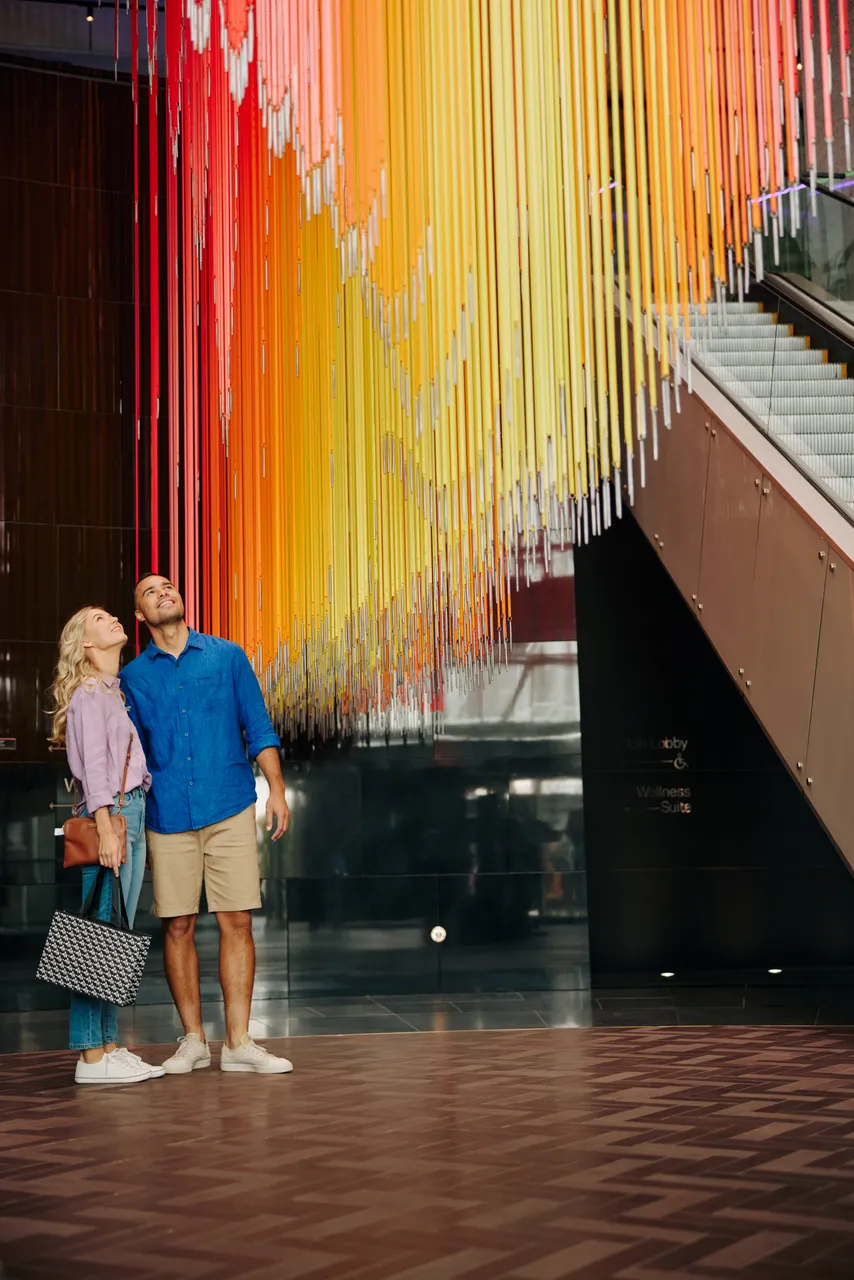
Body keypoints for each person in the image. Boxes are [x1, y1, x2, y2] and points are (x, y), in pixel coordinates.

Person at [121, 574, 293, 1075]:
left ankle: (239, 1042)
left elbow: (257, 725)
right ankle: (193, 1039)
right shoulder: (132, 678)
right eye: (150, 592)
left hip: (230, 803)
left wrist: (276, 790)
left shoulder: (226, 656)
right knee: (177, 924)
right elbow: (129, 752)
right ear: (140, 616)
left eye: (168, 586)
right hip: (167, 813)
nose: (164, 593)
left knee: (237, 920)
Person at [49, 607, 165, 1085]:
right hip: (111, 815)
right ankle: (90, 1057)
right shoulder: (90, 693)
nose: (114, 618)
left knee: (112, 934)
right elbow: (92, 764)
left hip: (125, 811)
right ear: (87, 644)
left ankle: (109, 1046)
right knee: (96, 938)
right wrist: (108, 825)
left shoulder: (112, 694)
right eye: (101, 618)